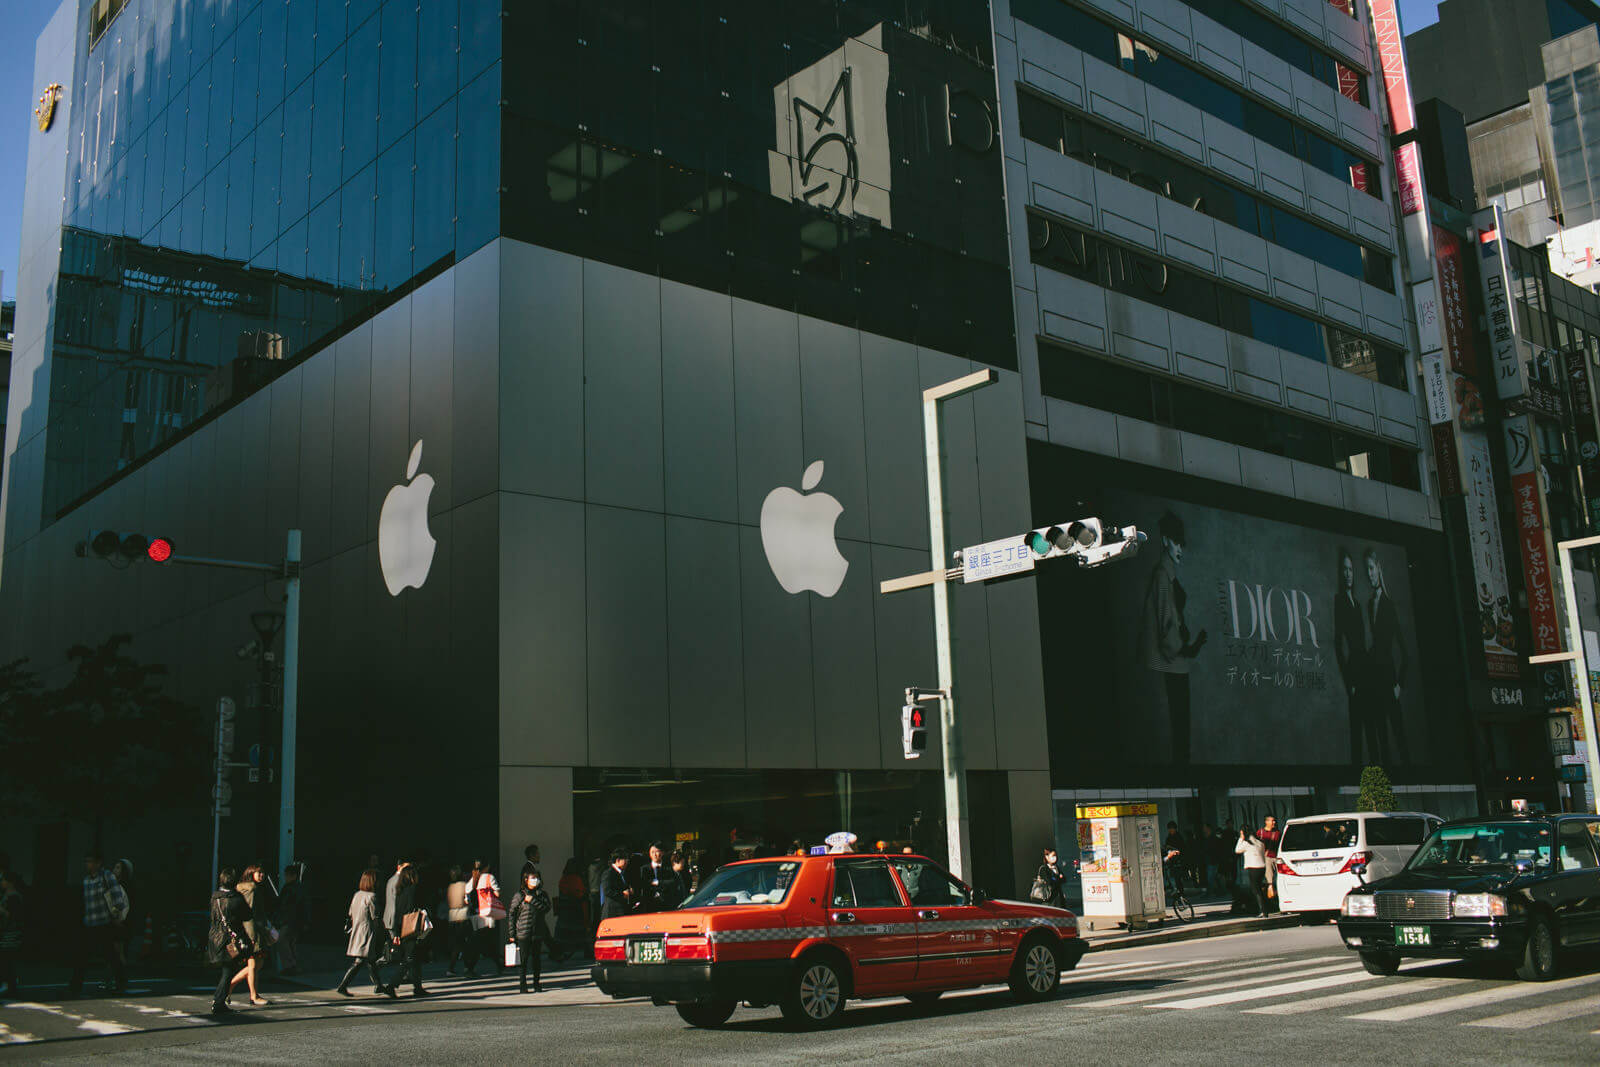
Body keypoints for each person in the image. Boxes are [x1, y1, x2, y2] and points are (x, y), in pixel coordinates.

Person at [1140, 512, 1207, 764]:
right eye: (1177, 542)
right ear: (1166, 540)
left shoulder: (1167, 574)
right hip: (1171, 664)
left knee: (1180, 729)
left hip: (1175, 663)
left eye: (1183, 544)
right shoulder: (1162, 576)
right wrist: (1189, 648)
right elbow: (1167, 626)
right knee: (1178, 730)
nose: (1181, 549)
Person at [1364, 549, 1411, 766]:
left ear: (1378, 568)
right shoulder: (1368, 604)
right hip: (1373, 679)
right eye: (1366, 570)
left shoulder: (1389, 605)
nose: (1369, 574)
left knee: (1399, 734)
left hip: (1389, 679)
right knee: (1382, 737)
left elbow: (1404, 651)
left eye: (1371, 569)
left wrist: (1399, 684)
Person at [69, 853, 128, 997]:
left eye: (90, 861)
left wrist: (114, 916)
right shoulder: (86, 881)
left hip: (103, 923)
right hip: (90, 924)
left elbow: (118, 899)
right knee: (83, 956)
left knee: (110, 956)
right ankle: (75, 986)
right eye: (86, 861)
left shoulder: (106, 877)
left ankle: (121, 983)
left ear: (98, 863)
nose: (87, 864)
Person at [1332, 548, 1369, 764]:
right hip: (1354, 670)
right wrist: (1349, 681)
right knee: (1357, 728)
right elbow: (1338, 643)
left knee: (1371, 726)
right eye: (1344, 569)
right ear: (1340, 573)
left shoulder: (1357, 602)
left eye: (1351, 569)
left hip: (1367, 668)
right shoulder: (1339, 600)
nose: (1348, 573)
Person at [208, 867, 253, 1017]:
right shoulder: (236, 899)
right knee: (228, 970)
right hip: (230, 941)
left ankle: (219, 999)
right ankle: (218, 1001)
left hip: (215, 937)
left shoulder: (215, 897)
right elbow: (247, 915)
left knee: (226, 970)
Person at [336, 870, 389, 997]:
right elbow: (375, 917)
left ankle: (378, 985)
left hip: (357, 929)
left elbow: (350, 913)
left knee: (369, 960)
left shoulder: (357, 895)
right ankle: (342, 986)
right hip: (367, 931)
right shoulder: (372, 897)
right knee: (360, 960)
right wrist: (383, 932)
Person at [229, 865, 271, 1006]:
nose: (262, 875)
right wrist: (252, 936)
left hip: (251, 931)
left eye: (262, 872)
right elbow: (249, 914)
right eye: (258, 872)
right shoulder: (252, 890)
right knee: (253, 964)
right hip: (253, 932)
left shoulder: (244, 889)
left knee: (256, 964)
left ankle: (228, 987)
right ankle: (254, 996)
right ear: (251, 873)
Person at [383, 864, 428, 997]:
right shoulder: (413, 890)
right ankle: (392, 986)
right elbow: (414, 908)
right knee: (410, 958)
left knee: (414, 958)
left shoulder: (400, 890)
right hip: (411, 926)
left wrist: (396, 932)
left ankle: (418, 987)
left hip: (402, 926)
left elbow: (398, 912)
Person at [507, 871, 551, 993]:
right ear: (526, 880)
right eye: (533, 878)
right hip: (523, 932)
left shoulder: (542, 894)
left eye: (537, 878)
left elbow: (546, 908)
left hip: (537, 932)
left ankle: (536, 983)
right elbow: (512, 914)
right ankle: (523, 985)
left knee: (537, 959)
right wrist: (512, 934)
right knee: (523, 960)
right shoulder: (519, 895)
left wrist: (532, 900)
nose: (535, 880)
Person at [465, 859, 503, 973]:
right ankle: (470, 967)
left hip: (475, 914)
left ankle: (498, 964)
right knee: (483, 941)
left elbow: (466, 897)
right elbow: (497, 893)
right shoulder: (489, 877)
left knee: (484, 940)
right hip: (486, 914)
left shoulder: (473, 878)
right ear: (487, 867)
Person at [552, 858, 590, 962]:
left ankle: (560, 952)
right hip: (576, 910)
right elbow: (580, 894)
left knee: (563, 935)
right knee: (580, 932)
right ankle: (587, 951)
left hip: (565, 912)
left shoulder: (563, 878)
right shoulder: (577, 879)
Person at [275, 863, 307, 975]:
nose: (285, 877)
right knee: (291, 943)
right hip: (296, 921)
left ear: (292, 876)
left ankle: (289, 965)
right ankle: (293, 965)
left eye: (287, 875)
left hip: (288, 920)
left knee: (283, 942)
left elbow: (284, 905)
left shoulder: (289, 889)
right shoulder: (300, 888)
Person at [443, 865, 471, 976]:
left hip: (452, 916)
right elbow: (466, 901)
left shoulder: (450, 887)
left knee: (459, 943)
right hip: (462, 915)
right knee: (462, 943)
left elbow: (449, 902)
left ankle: (465, 966)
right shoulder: (464, 885)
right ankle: (457, 967)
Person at [0, 870, 22, 1000]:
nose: (2, 883)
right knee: (6, 961)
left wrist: (2, 910)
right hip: (6, 934)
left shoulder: (14, 897)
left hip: (11, 934)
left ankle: (10, 987)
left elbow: (13, 916)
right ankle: (9, 986)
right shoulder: (5, 895)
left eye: (3, 880)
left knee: (7, 961)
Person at [1235, 829, 1268, 917]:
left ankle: (1262, 910)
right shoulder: (1259, 842)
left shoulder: (1247, 843)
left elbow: (1237, 850)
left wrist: (1240, 839)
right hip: (1262, 867)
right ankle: (1264, 909)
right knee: (1259, 889)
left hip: (1253, 868)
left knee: (1256, 890)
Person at [637, 842, 677, 912]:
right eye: (652, 852)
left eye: (657, 852)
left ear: (662, 853)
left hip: (666, 903)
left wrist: (658, 882)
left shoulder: (668, 868)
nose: (655, 855)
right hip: (649, 904)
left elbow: (672, 882)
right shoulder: (644, 869)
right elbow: (643, 884)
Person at [599, 849, 632, 919]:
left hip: (622, 911)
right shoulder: (608, 873)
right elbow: (607, 890)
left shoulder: (623, 873)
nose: (627, 862)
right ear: (618, 860)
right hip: (612, 912)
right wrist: (623, 894)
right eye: (625, 859)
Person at [1258, 815, 1282, 909]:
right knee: (1269, 880)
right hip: (1266, 858)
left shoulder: (1277, 833)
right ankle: (1271, 899)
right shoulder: (1260, 832)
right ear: (1266, 822)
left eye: (1274, 821)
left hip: (1276, 857)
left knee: (1279, 878)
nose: (1274, 823)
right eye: (1272, 821)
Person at [1162, 823, 1187, 895]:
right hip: (1172, 860)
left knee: (1178, 878)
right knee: (1174, 877)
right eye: (1169, 829)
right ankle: (1177, 892)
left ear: (1175, 829)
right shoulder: (1169, 837)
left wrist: (1171, 849)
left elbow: (1181, 849)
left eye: (1171, 828)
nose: (1170, 830)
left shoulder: (1178, 837)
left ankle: (1180, 893)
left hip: (1178, 860)